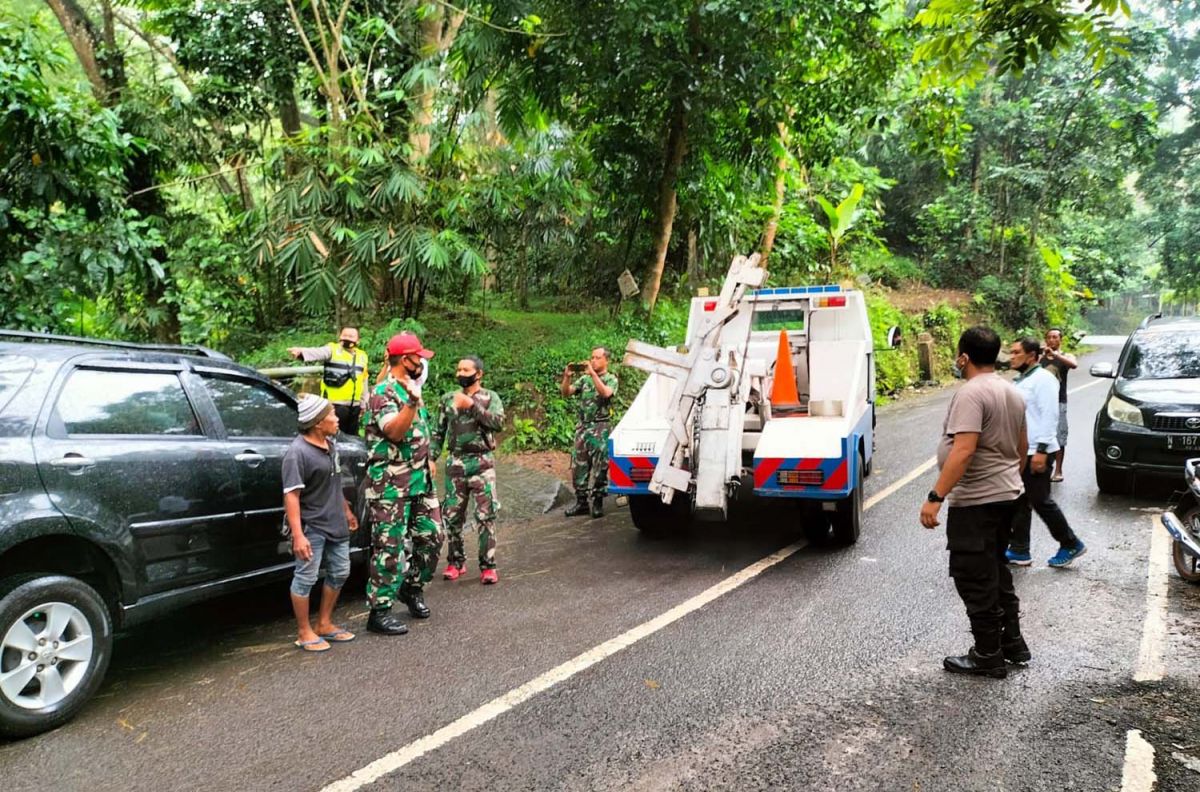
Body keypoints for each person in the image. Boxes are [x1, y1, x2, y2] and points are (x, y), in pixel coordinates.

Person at [920, 326, 1030, 678]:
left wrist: (936, 496)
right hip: (1007, 494)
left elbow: (964, 449)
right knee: (996, 570)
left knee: (973, 576)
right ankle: (1012, 643)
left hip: (977, 500)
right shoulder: (1011, 390)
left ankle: (987, 655)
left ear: (963, 357)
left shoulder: (972, 393)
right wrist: (1010, 481)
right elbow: (1022, 447)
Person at [361, 332, 444, 634]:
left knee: (433, 535)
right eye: (418, 356)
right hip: (390, 485)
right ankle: (379, 611)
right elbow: (394, 432)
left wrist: (429, 457)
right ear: (405, 359)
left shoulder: (411, 387)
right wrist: (410, 403)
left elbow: (418, 432)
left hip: (419, 479)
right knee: (390, 547)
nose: (422, 361)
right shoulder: (383, 393)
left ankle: (411, 588)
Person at [282, 395, 358, 652]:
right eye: (333, 415)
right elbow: (291, 495)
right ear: (317, 422)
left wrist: (346, 510)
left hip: (335, 521)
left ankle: (324, 623)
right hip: (311, 526)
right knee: (306, 578)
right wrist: (297, 535)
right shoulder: (297, 453)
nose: (338, 419)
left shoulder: (331, 445)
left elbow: (334, 484)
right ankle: (304, 631)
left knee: (340, 571)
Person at [1006, 338, 1088, 569]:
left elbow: (1050, 415)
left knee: (1040, 500)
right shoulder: (1021, 380)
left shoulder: (1043, 379)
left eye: (1016, 352)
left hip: (1038, 450)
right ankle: (1019, 549)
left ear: (1032, 355)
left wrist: (1042, 450)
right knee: (1020, 500)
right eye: (1010, 352)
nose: (1011, 356)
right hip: (1024, 450)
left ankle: (1070, 542)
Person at [431, 356, 505, 584]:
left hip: (482, 463)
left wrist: (472, 406)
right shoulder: (447, 399)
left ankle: (488, 566)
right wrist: (431, 458)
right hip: (455, 463)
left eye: (466, 369)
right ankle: (455, 562)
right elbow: (437, 431)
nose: (461, 373)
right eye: (459, 369)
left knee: (486, 515)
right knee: (452, 516)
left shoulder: (490, 397)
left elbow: (498, 423)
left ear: (478, 374)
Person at [560, 347, 619, 518]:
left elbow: (606, 393)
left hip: (601, 427)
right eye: (592, 357)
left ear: (606, 360)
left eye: (597, 358)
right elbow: (566, 393)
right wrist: (567, 377)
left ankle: (598, 500)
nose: (593, 360)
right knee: (579, 465)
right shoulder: (584, 379)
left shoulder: (610, 378)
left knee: (601, 466)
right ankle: (581, 502)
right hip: (583, 427)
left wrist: (593, 375)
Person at [288, 327, 370, 434]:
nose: (347, 338)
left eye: (351, 336)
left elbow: (364, 381)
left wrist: (363, 404)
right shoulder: (332, 350)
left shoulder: (362, 356)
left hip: (354, 407)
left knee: (351, 438)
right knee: (332, 436)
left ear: (358, 340)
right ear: (339, 337)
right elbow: (318, 352)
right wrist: (301, 352)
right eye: (344, 335)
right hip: (333, 405)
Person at [1040, 328, 1077, 482]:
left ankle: (1058, 470)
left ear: (1060, 340)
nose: (1052, 340)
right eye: (1049, 337)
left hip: (1058, 402)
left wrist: (1055, 354)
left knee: (1059, 436)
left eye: (1055, 337)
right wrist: (1042, 355)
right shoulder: (1040, 358)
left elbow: (1073, 364)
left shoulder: (1065, 356)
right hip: (1040, 402)